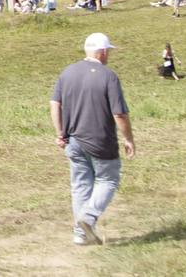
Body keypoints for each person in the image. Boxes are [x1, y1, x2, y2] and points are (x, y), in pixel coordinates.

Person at [50, 33, 135, 246]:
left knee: (80, 185)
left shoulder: (67, 72)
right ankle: (87, 218)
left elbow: (55, 104)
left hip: (74, 140)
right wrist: (129, 139)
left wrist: (60, 133)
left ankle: (80, 235)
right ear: (103, 51)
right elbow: (119, 114)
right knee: (108, 179)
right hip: (100, 141)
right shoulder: (108, 76)